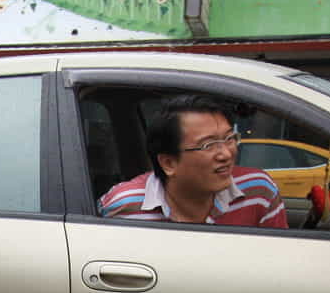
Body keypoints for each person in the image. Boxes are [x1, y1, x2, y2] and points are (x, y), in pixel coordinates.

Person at [98, 95, 287, 228]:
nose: (226, 154)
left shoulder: (258, 190)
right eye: (208, 145)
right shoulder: (125, 206)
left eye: (230, 138)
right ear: (169, 163)